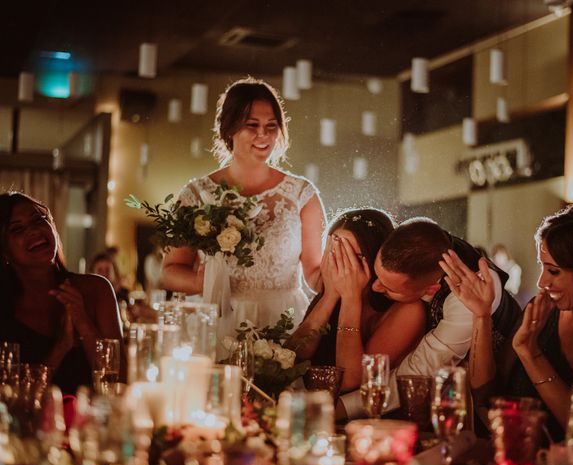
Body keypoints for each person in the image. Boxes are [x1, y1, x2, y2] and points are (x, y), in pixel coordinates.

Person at [441, 202, 573, 441]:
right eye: (542, 267)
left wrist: (531, 354)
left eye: (554, 271)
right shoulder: (542, 312)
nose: (542, 282)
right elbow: (486, 395)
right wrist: (481, 315)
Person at [162, 77, 325, 337]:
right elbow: (170, 271)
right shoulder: (197, 196)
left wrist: (343, 283)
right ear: (229, 129)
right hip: (218, 321)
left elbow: (314, 271)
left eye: (271, 126)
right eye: (253, 125)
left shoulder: (301, 195)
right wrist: (198, 281)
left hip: (282, 324)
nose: (264, 135)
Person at [338, 217, 521, 419]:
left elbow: (419, 371)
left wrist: (340, 408)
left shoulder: (468, 299)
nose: (375, 287)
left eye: (388, 288)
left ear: (431, 289)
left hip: (493, 402)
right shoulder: (419, 243)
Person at [288, 209, 426, 391]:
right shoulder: (331, 287)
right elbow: (291, 359)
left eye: (352, 256)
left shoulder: (407, 309)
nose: (341, 264)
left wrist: (350, 298)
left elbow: (349, 381)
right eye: (335, 253)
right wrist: (330, 295)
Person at [0, 192, 123, 394]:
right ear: (4, 250)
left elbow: (119, 383)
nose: (34, 231)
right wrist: (62, 346)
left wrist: (84, 325)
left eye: (39, 220)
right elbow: (11, 402)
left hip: (91, 423)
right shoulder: (5, 309)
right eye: (17, 228)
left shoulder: (97, 289)